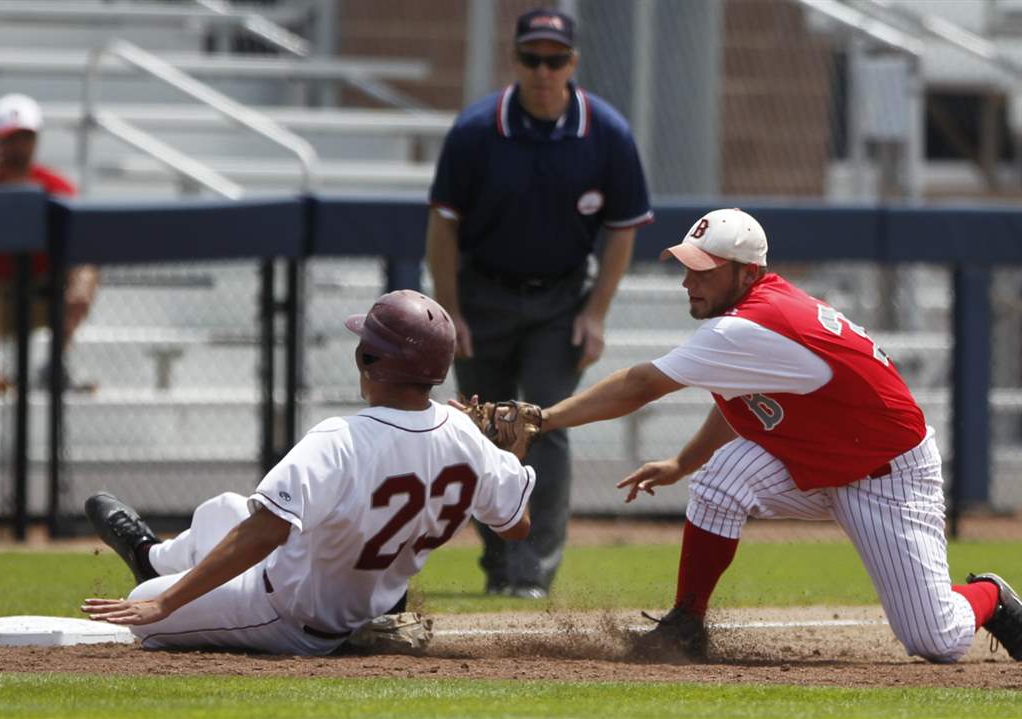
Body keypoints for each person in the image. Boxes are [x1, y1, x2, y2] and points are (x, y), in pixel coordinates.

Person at [535, 207, 1022, 663]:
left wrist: (544, 419)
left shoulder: (753, 325)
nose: (688, 281)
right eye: (687, 267)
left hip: (886, 476)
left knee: (937, 639)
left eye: (705, 269)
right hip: (817, 457)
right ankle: (687, 622)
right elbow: (742, 401)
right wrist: (684, 464)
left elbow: (640, 385)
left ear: (747, 274)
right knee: (720, 478)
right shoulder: (755, 316)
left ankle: (992, 596)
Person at [81, 290, 536, 655]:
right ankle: (151, 556)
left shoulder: (339, 436)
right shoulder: (465, 434)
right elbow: (516, 527)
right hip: (366, 596)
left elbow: (264, 534)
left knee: (145, 612)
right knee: (224, 510)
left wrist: (165, 602)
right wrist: (503, 457)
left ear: (369, 361)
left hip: (295, 618)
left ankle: (152, 573)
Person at [426, 8, 653, 599]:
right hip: (483, 295)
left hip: (560, 299)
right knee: (482, 431)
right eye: (532, 57)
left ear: (572, 63)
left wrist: (595, 312)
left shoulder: (607, 133)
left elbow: (623, 230)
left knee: (546, 426)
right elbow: (443, 227)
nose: (543, 70)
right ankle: (500, 563)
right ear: (515, 60)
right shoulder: (477, 130)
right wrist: (451, 313)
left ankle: (533, 574)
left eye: (555, 59)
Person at [0, 93, 98, 393]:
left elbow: (82, 237)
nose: (18, 147)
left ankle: (55, 362)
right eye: (9, 139)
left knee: (86, 266)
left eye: (25, 137)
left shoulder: (54, 185)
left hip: (38, 296)